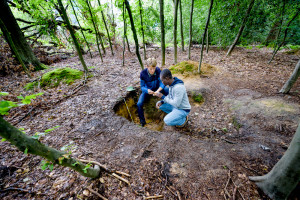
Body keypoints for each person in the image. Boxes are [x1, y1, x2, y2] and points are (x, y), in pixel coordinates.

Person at [137, 58, 168, 127]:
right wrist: (147, 90)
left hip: (157, 88)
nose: (152, 71)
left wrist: (158, 90)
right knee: (139, 103)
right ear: (147, 66)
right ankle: (142, 122)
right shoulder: (143, 73)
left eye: (154, 68)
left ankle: (169, 106)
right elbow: (142, 86)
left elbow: (162, 82)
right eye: (150, 69)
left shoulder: (158, 70)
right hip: (148, 90)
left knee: (167, 89)